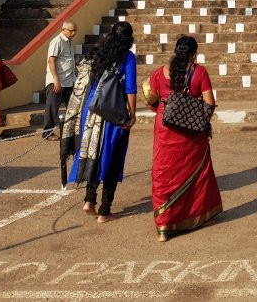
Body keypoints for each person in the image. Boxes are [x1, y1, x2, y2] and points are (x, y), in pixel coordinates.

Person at [144, 35, 222, 241]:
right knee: (197, 173)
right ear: (194, 55)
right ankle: (195, 215)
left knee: (163, 174)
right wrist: (197, 120)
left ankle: (163, 226)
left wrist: (164, 111)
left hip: (164, 127)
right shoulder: (200, 72)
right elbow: (209, 102)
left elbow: (149, 99)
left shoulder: (160, 72)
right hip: (191, 132)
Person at [62, 21, 137, 223]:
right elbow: (130, 89)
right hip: (114, 111)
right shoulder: (127, 57)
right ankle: (104, 210)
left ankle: (89, 199)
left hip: (92, 110)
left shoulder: (99, 53)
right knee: (113, 156)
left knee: (93, 152)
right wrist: (132, 114)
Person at [42, 21, 77, 140]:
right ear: (64, 29)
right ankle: (47, 132)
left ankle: (71, 130)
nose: (73, 33)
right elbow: (51, 61)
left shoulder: (69, 42)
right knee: (52, 107)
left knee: (72, 106)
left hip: (69, 80)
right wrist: (56, 80)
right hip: (57, 81)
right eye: (71, 30)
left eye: (75, 31)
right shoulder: (58, 41)